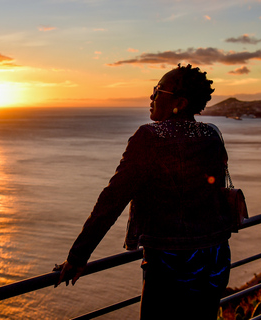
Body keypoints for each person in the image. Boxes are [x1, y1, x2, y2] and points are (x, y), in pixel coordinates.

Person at [54, 64, 232, 319]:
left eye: (158, 91)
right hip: (215, 255)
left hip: (171, 262)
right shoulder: (211, 134)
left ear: (179, 102)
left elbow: (113, 198)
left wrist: (78, 256)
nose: (151, 97)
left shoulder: (149, 138)